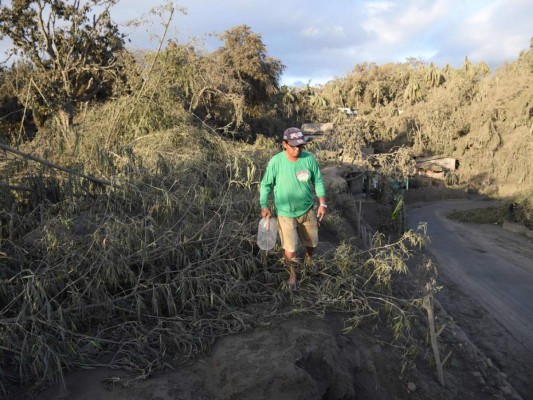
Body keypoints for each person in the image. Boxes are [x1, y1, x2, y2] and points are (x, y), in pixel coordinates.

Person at [259, 127, 327, 290]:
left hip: (307, 210)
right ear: (284, 144)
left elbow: (317, 180)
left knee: (312, 241)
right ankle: (292, 274)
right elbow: (266, 184)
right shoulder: (276, 161)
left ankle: (309, 261)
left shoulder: (308, 160)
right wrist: (264, 205)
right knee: (290, 247)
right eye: (293, 146)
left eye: (300, 146)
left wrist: (322, 203)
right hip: (285, 213)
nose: (297, 149)